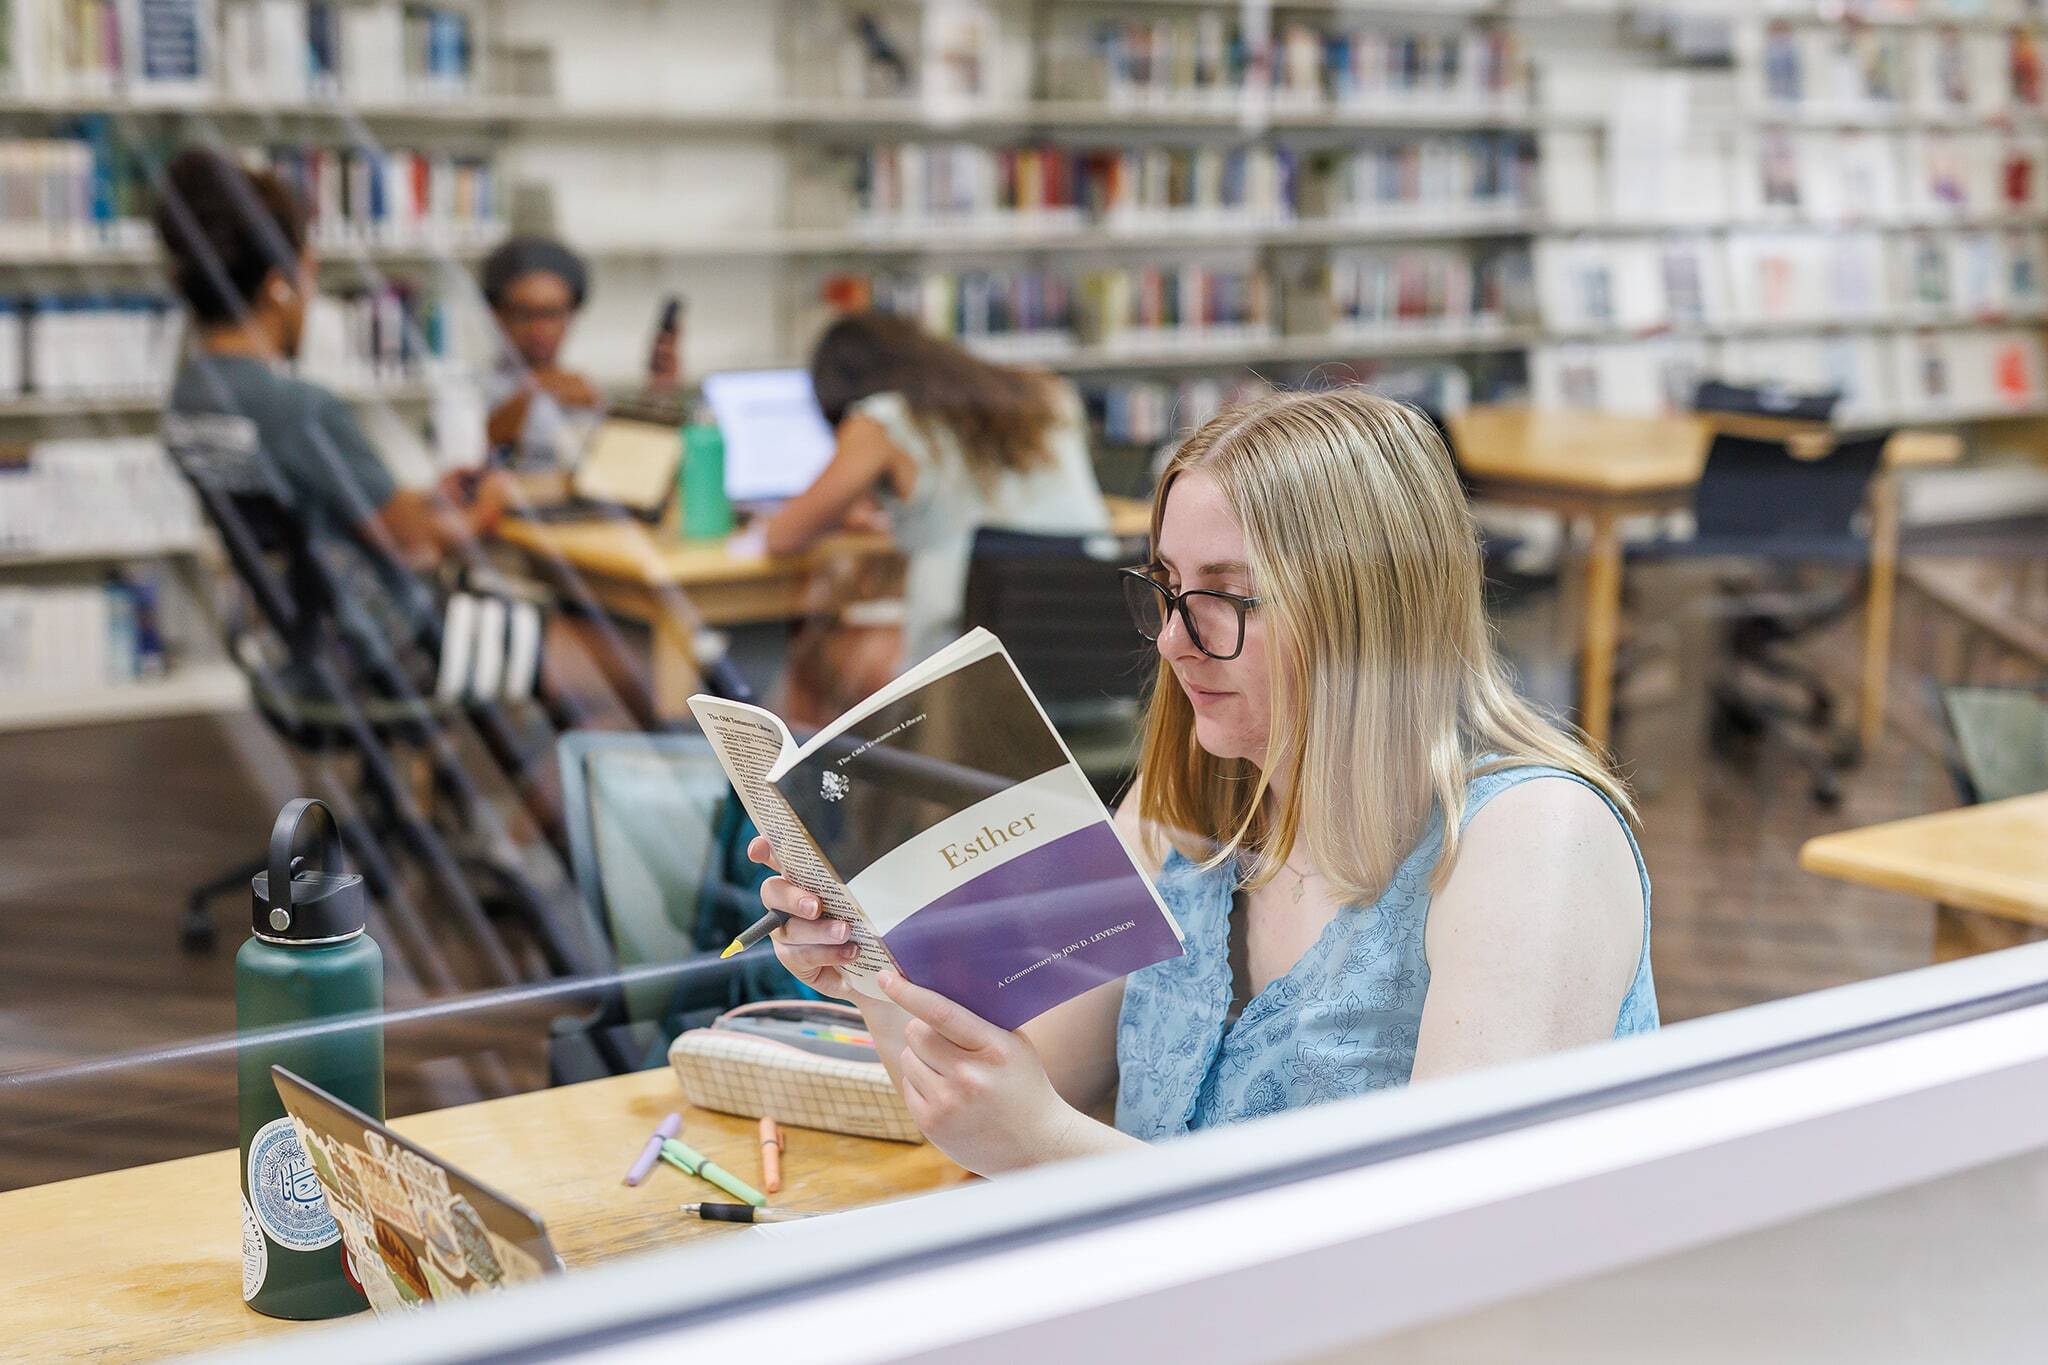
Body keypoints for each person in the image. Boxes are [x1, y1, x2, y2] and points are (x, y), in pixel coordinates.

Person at [752, 388, 1659, 1175]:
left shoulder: (1534, 838)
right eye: (1168, 589)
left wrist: (1045, 1146)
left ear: (1362, 611)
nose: (1174, 642)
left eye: (1226, 596)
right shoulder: (1194, 803)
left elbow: (1446, 1243)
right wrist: (870, 972)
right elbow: (1020, 1090)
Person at [154, 147, 520, 685]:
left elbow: (315, 512)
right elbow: (412, 543)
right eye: (310, 277)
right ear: (279, 284)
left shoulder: (191, 395)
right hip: (382, 646)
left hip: (297, 648)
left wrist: (426, 498)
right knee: (596, 666)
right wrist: (490, 505)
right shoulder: (300, 408)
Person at [764, 311, 1109, 715]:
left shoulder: (883, 417)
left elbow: (783, 536)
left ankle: (807, 777)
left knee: (815, 650)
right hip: (1090, 657)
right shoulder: (1045, 391)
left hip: (965, 662)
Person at [480, 235, 603, 471]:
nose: (539, 330)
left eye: (552, 314)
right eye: (524, 314)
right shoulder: (476, 390)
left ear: (572, 315)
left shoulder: (581, 389)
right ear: (497, 315)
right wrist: (533, 390)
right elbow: (471, 453)